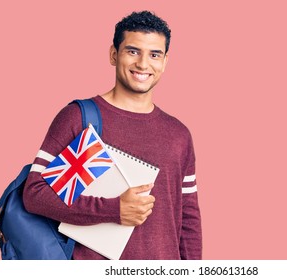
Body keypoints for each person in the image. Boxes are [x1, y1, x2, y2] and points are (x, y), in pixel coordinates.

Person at [23, 10, 202, 260]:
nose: (143, 64)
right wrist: (114, 210)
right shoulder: (81, 118)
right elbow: (35, 194)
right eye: (132, 51)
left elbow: (189, 220)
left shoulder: (178, 134)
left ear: (165, 61)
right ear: (113, 54)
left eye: (154, 54)